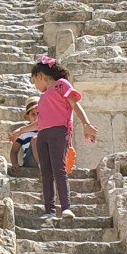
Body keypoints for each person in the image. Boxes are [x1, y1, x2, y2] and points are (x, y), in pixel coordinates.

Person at [29, 58, 97, 218]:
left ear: (40, 76)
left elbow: (74, 105)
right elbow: (39, 122)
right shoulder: (43, 97)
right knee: (45, 172)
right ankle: (49, 210)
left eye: (34, 81)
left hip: (59, 131)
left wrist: (86, 124)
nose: (35, 86)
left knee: (59, 168)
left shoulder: (61, 85)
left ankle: (66, 207)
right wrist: (20, 131)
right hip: (43, 134)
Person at [8, 99, 41, 175]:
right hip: (30, 160)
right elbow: (14, 151)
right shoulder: (23, 132)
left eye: (39, 114)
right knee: (35, 140)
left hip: (45, 157)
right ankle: (42, 167)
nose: (36, 117)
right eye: (33, 114)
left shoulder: (46, 129)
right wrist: (14, 163)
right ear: (28, 117)